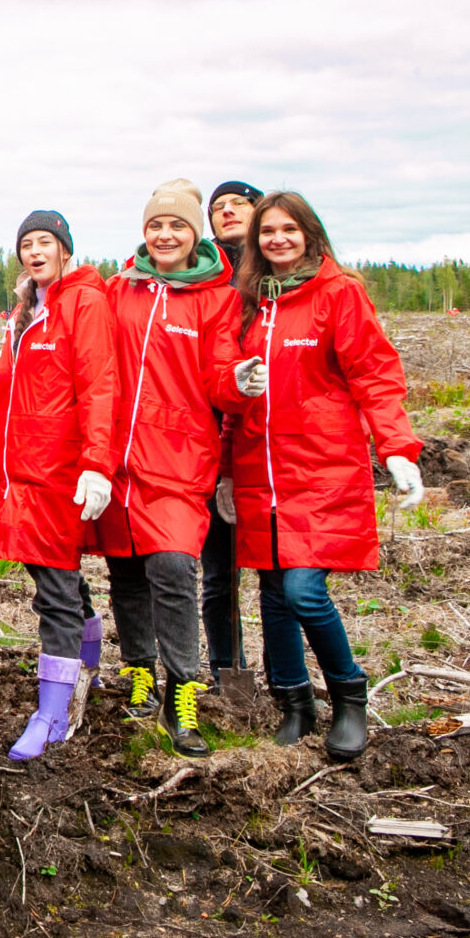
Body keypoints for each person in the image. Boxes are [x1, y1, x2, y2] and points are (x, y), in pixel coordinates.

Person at [227, 192, 423, 761]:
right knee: (272, 593)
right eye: (268, 232)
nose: (278, 240)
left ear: (310, 235)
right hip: (257, 468)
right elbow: (223, 383)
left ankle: (348, 691)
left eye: (289, 229)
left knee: (304, 590)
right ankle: (294, 703)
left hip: (320, 467)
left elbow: (374, 372)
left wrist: (397, 448)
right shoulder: (247, 303)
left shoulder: (338, 294)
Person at [92, 182, 263, 757]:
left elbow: (218, 375)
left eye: (178, 227)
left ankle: (182, 689)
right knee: (126, 570)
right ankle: (139, 669)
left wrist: (236, 385)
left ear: (195, 236)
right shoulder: (119, 289)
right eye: (155, 226)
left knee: (171, 566)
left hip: (179, 457)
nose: (165, 236)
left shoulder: (215, 299)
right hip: (115, 457)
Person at [0, 211, 117, 761]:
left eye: (46, 242)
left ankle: (52, 714)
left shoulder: (83, 302)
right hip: (24, 473)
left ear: (65, 249)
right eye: (27, 244)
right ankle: (88, 669)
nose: (35, 251)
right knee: (58, 579)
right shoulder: (27, 309)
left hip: (60, 474)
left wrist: (97, 463)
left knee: (54, 590)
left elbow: (100, 382)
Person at [200, 179, 263, 684]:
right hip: (211, 435)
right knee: (218, 571)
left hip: (268, 440)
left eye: (236, 204)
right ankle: (227, 669)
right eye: (217, 208)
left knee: (278, 575)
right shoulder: (205, 279)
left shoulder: (279, 276)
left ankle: (285, 675)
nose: (225, 212)